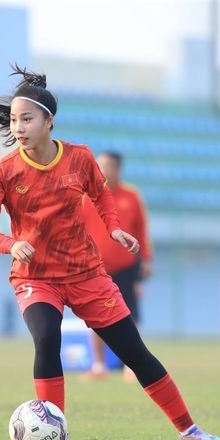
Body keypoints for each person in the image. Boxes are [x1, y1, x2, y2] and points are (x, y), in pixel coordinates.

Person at [0, 64, 220, 440]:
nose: (18, 127)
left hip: (86, 273)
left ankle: (189, 430)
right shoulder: (3, 171)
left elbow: (101, 194)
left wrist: (113, 227)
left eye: (27, 119)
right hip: (35, 276)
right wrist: (10, 244)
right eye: (13, 120)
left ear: (48, 121)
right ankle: (58, 436)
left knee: (135, 353)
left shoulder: (79, 158)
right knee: (46, 338)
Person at [82, 152, 153, 382]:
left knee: (129, 315)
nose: (103, 170)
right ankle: (99, 365)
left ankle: (130, 366)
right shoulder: (85, 194)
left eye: (107, 166)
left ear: (118, 169)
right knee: (94, 317)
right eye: (99, 165)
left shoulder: (131, 196)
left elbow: (141, 228)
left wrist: (146, 259)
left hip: (125, 266)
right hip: (93, 267)